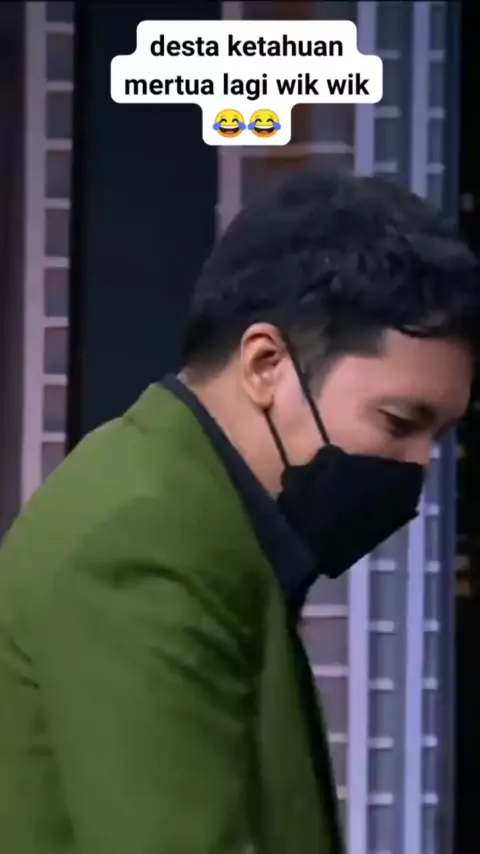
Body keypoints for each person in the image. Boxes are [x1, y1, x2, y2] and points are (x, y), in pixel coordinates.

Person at [0, 170, 478, 854]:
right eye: (400, 421)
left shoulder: (200, 512)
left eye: (439, 435)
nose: (419, 464)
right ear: (265, 365)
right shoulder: (147, 541)